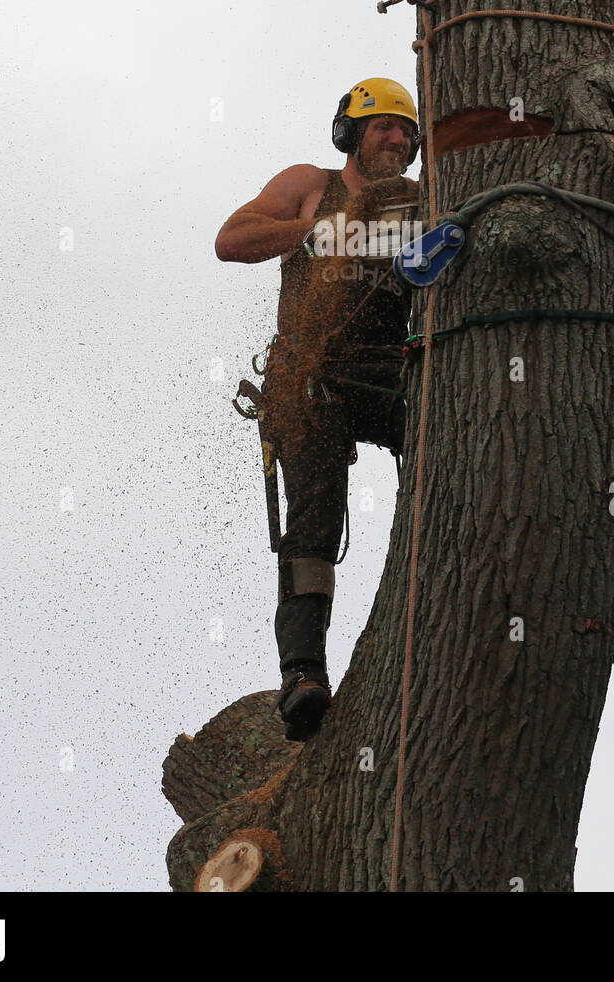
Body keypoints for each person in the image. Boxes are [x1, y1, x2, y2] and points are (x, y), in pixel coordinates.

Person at [214, 78, 420, 740]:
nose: (396, 138)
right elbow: (233, 238)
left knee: (444, 443)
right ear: (351, 134)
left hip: (392, 373)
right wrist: (326, 230)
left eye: (405, 131)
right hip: (310, 374)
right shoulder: (311, 184)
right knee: (314, 524)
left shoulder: (420, 203)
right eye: (383, 126)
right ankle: (302, 674)